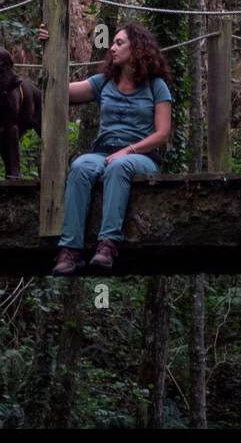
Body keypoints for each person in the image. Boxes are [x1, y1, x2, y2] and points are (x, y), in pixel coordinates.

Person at [39, 21, 172, 275]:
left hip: (142, 156)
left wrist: (128, 150)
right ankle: (70, 250)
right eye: (112, 42)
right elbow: (58, 91)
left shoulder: (156, 86)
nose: (112, 48)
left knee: (119, 166)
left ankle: (108, 245)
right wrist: (48, 47)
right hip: (103, 153)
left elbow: (162, 134)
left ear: (138, 48)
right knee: (79, 166)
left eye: (119, 43)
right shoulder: (104, 82)